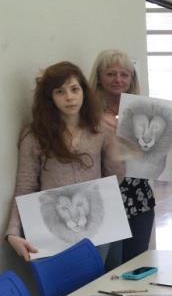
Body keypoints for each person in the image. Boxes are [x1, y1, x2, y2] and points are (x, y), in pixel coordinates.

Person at [5, 61, 123, 261]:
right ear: (50, 98)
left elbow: (115, 177)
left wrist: (116, 144)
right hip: (52, 229)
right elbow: (25, 187)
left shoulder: (100, 130)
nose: (69, 97)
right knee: (63, 290)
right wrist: (13, 233)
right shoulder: (35, 135)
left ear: (83, 92)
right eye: (60, 92)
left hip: (96, 228)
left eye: (74, 89)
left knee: (94, 286)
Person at [89, 49, 156, 269]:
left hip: (139, 198)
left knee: (136, 265)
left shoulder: (145, 112)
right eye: (111, 74)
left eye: (124, 74)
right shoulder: (88, 115)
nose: (118, 80)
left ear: (131, 78)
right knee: (109, 269)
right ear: (99, 77)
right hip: (105, 199)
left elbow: (155, 152)